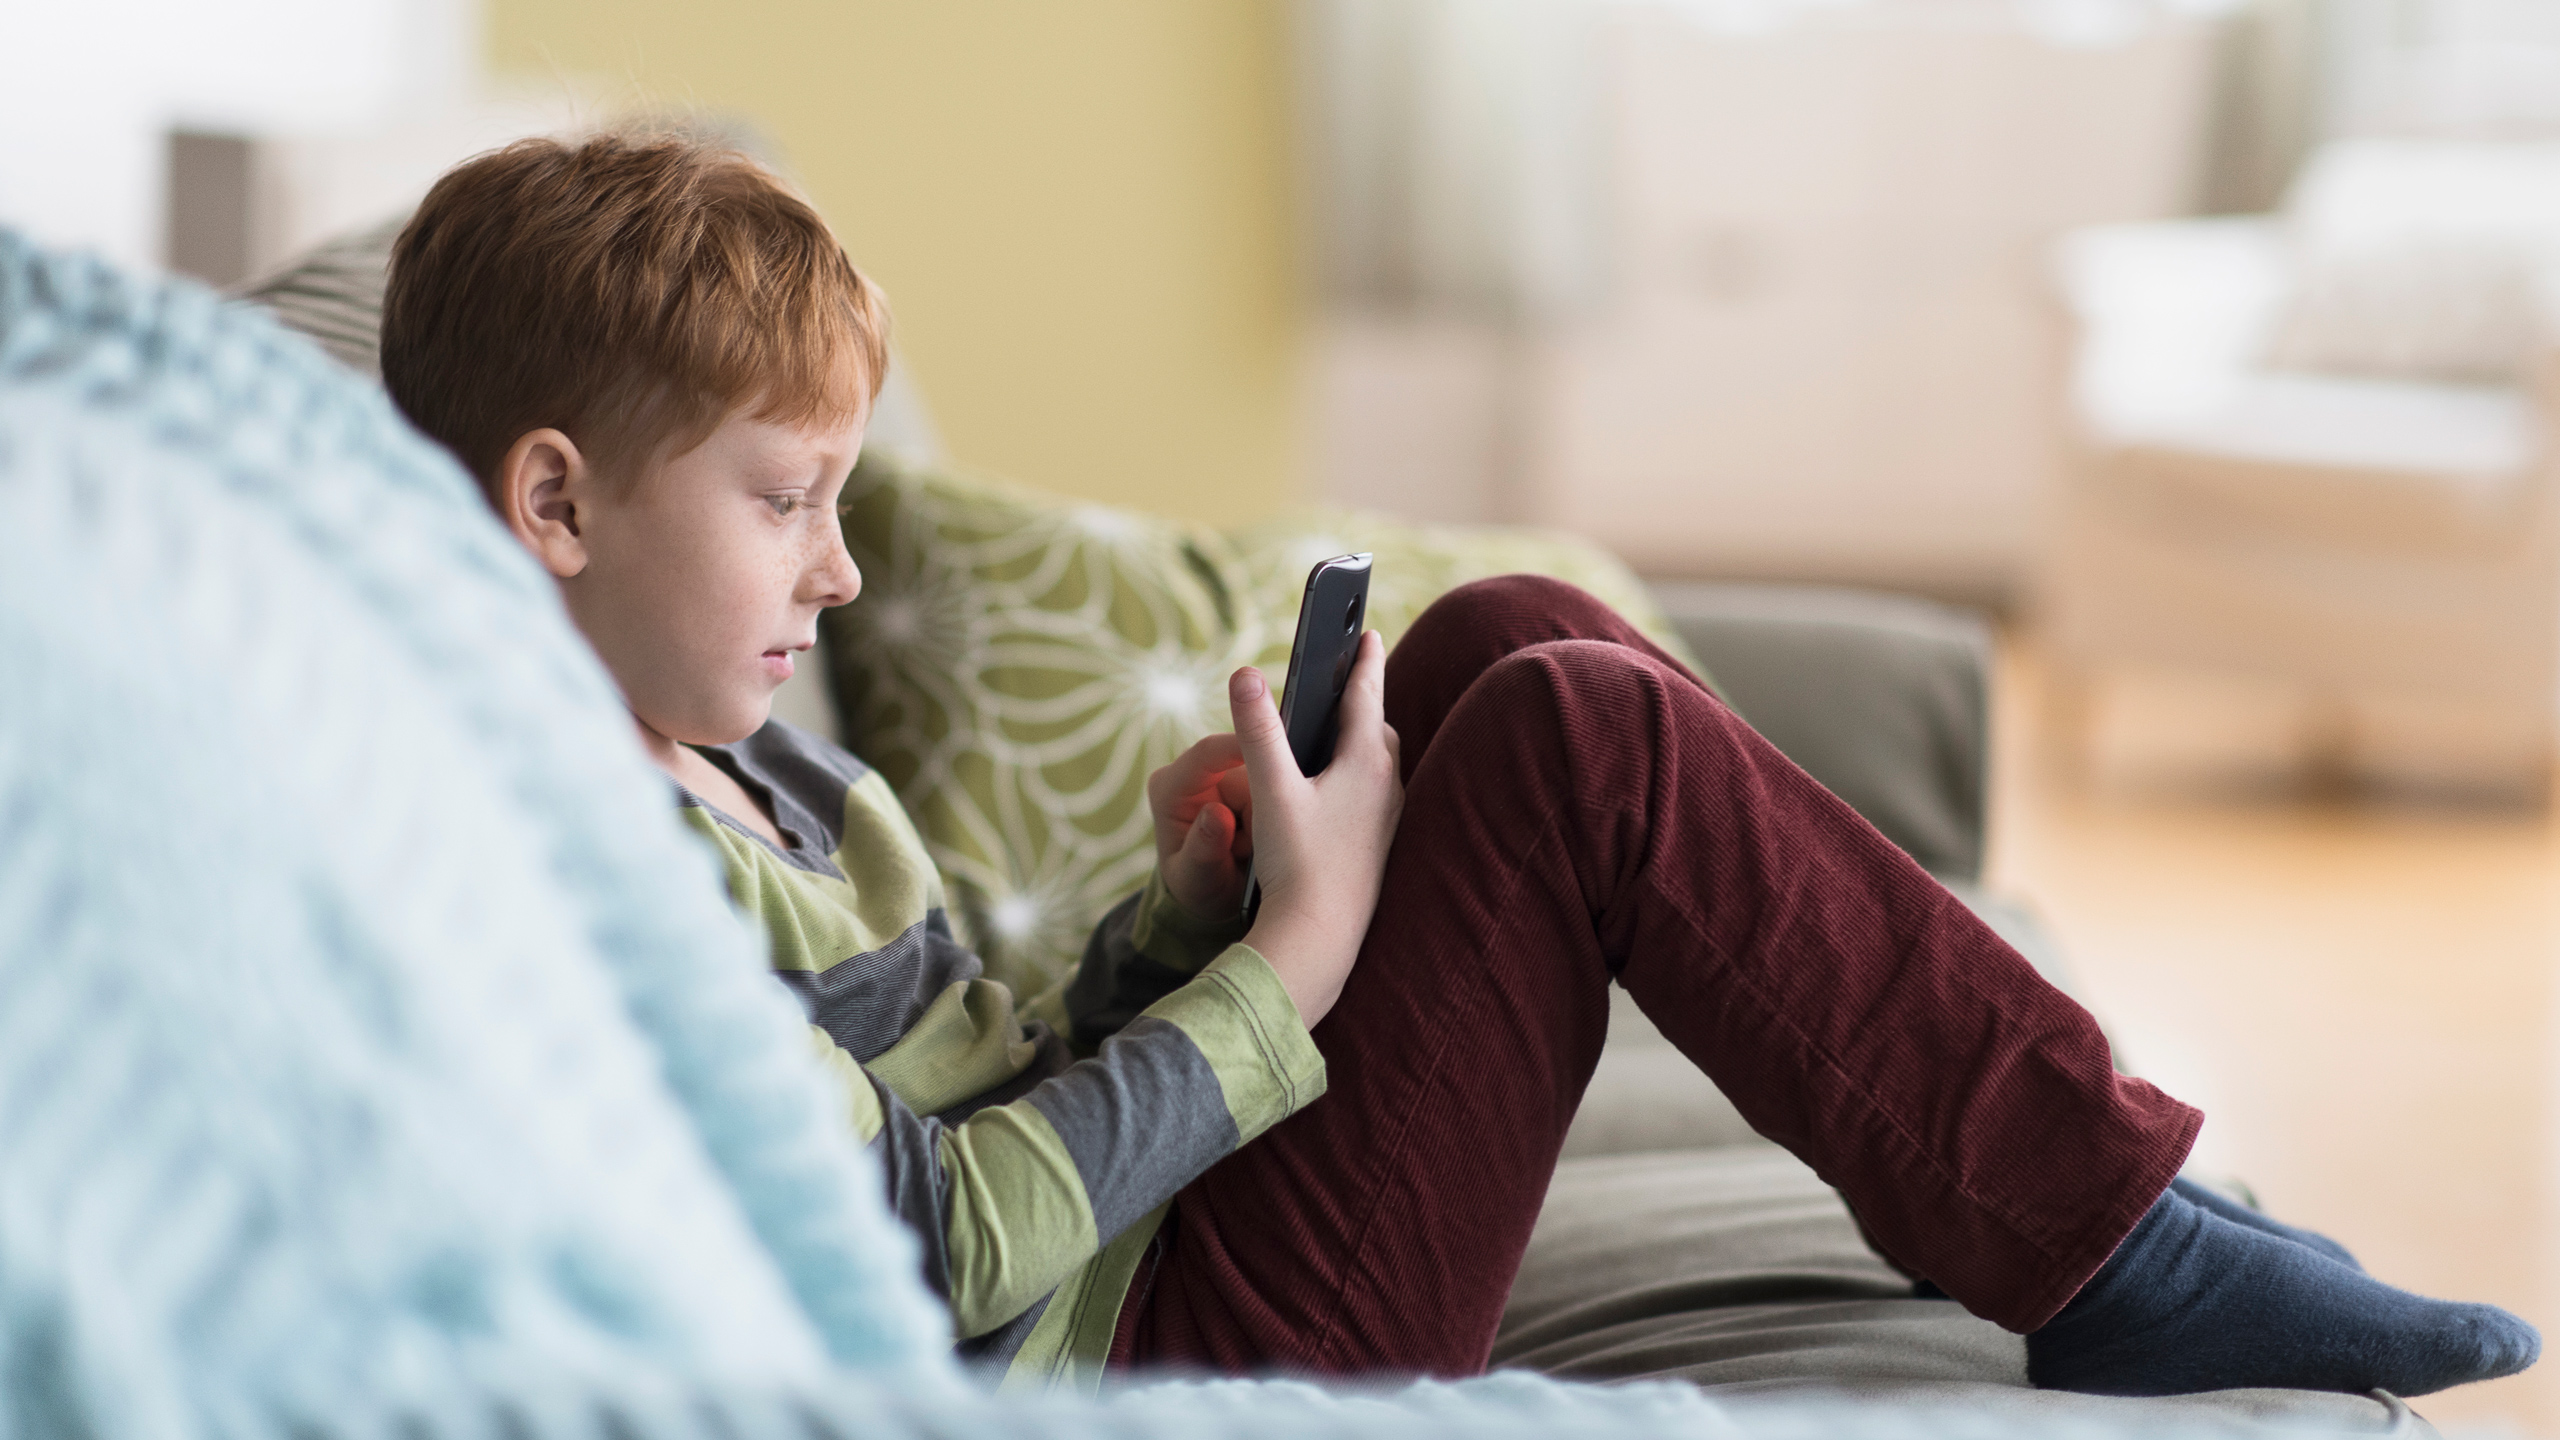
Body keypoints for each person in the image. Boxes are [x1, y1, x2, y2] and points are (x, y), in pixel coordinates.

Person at [378, 130, 2539, 1400]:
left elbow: (992, 1074)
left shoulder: (772, 789)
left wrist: (1189, 926)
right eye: (783, 503)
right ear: (553, 506)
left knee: (1503, 646)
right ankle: (2104, 1244)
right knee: (1582, 737)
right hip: (1144, 1370)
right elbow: (929, 1245)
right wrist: (1286, 975)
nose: (838, 572)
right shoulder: (602, 873)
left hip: (1163, 1255)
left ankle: (2083, 1198)